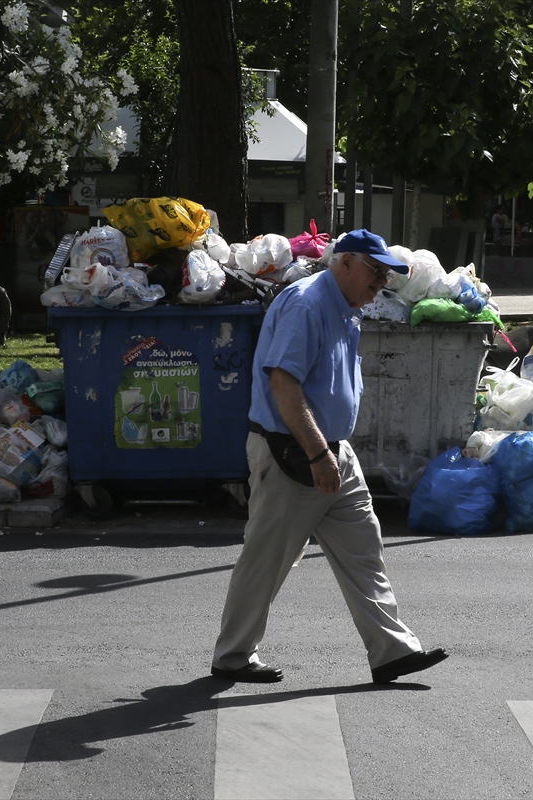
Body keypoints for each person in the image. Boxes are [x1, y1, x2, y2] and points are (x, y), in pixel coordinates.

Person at [211, 229, 448, 685]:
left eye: (386, 274)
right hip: (294, 451)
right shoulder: (308, 304)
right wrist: (319, 454)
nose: (381, 282)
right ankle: (233, 656)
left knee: (364, 550)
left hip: (332, 451)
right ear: (345, 262)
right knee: (267, 560)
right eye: (375, 271)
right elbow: (284, 384)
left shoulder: (345, 307)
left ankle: (392, 650)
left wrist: (330, 452)